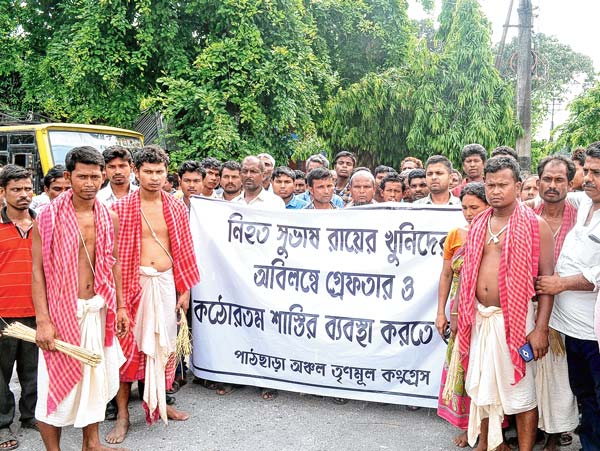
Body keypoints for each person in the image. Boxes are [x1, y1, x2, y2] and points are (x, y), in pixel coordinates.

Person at [32, 147, 129, 451]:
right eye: (82, 176)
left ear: (103, 176)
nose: (89, 182)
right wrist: (43, 321)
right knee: (54, 389)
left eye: (94, 176)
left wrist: (121, 306)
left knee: (94, 382)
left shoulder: (108, 216)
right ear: (68, 176)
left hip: (97, 309)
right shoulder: (47, 217)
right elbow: (37, 273)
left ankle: (92, 443)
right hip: (62, 314)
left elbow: (112, 262)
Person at [457, 156, 554, 451]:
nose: (496, 191)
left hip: (517, 320)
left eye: (503, 184)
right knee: (484, 388)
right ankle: (486, 445)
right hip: (480, 319)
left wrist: (540, 329)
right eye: (491, 185)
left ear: (519, 185)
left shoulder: (537, 226)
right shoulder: (478, 225)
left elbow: (547, 285)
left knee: (521, 394)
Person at [107, 145, 200, 444]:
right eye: (148, 171)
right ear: (136, 172)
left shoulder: (175, 207)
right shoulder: (119, 209)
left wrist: (183, 290)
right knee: (127, 352)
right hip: (133, 288)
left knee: (164, 346)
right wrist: (119, 299)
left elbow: (184, 250)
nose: (154, 177)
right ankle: (123, 414)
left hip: (166, 283)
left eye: (160, 171)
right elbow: (113, 259)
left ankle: (160, 403)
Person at [535, 142, 600, 450]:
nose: (588, 178)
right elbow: (550, 192)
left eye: (596, 173)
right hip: (570, 329)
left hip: (594, 331)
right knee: (585, 395)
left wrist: (560, 284)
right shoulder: (586, 203)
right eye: (586, 170)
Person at [530, 155, 579, 451]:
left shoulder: (582, 218)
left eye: (559, 180)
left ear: (570, 184)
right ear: (537, 183)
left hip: (568, 308)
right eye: (547, 179)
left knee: (559, 375)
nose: (552, 185)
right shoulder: (524, 214)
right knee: (532, 371)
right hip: (530, 304)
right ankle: (533, 427)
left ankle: (555, 433)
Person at [436, 182, 488, 449]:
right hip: (458, 311)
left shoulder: (495, 233)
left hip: (486, 312)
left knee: (485, 371)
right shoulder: (456, 234)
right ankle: (470, 428)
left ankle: (491, 432)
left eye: (474, 207)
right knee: (464, 367)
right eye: (464, 207)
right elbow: (446, 274)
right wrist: (441, 312)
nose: (468, 213)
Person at [0, 165, 38, 451]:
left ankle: (31, 415)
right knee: (1, 374)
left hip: (37, 312)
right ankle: (3, 424)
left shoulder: (43, 224)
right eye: (16, 190)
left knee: (33, 369)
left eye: (27, 188)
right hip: (3, 314)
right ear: (3, 193)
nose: (24, 195)